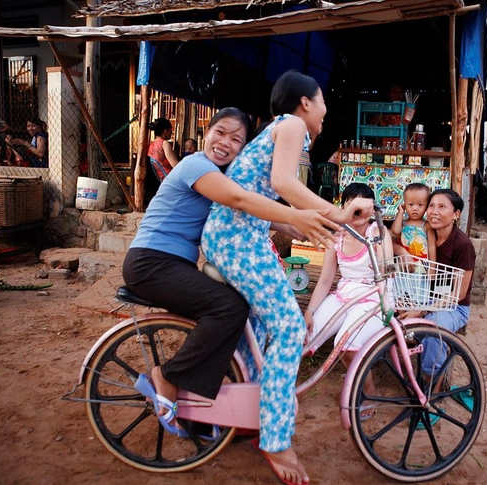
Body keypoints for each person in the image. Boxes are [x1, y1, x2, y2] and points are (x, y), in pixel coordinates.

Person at [123, 107, 341, 440]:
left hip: (173, 265)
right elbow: (240, 199)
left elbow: (251, 211)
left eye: (236, 140)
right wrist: (300, 216)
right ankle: (168, 375)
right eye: (220, 132)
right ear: (205, 134)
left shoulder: (217, 175)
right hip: (152, 263)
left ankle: (213, 402)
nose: (225, 143)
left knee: (236, 309)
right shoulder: (197, 165)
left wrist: (298, 227)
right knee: (228, 307)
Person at [201, 70, 374, 485]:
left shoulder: (279, 130)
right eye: (324, 104)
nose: (325, 114)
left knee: (262, 329)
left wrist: (294, 226)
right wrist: (336, 213)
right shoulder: (293, 124)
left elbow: (267, 194)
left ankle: (251, 415)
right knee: (292, 327)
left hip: (238, 236)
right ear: (305, 102)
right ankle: (276, 439)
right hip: (238, 240)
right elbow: (282, 184)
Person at [304, 183, 393, 417]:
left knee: (345, 345)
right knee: (307, 336)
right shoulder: (338, 237)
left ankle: (369, 391)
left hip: (374, 297)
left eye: (364, 208)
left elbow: (387, 271)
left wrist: (373, 239)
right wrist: (310, 311)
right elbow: (325, 280)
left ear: (371, 210)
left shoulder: (379, 233)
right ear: (343, 208)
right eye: (352, 207)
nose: (358, 214)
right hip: (344, 294)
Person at [399, 188, 475, 373]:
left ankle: (430, 382)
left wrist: (422, 311)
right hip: (422, 295)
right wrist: (402, 251)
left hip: (453, 306)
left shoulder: (462, 245)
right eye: (431, 206)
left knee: (433, 331)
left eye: (442, 207)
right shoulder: (421, 233)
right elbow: (393, 237)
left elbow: (460, 293)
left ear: (456, 214)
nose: (434, 211)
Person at [389, 183, 436, 261]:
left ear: (426, 207)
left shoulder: (427, 225)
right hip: (404, 266)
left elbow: (432, 247)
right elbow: (395, 231)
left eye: (420, 205)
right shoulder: (403, 223)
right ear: (405, 205)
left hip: (421, 267)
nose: (415, 208)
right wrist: (401, 212)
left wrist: (432, 267)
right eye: (410, 204)